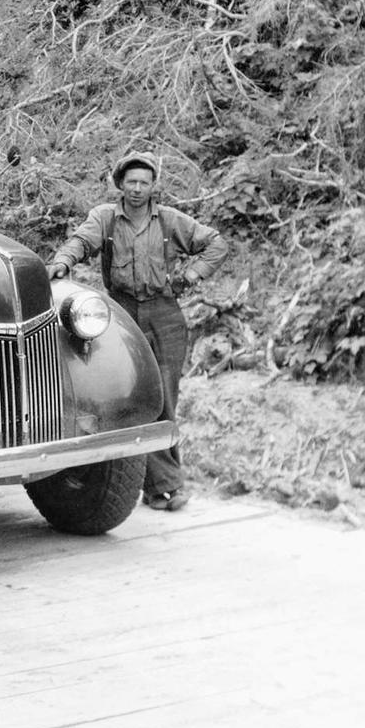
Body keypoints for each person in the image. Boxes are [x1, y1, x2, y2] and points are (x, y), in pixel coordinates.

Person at [47, 150, 229, 512]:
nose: (137, 188)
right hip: (122, 316)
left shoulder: (170, 221)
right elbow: (81, 242)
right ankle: (142, 485)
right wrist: (63, 261)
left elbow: (216, 244)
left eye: (144, 182)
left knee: (163, 399)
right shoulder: (105, 217)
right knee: (125, 397)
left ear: (153, 186)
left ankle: (164, 486)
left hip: (164, 317)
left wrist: (191, 276)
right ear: (120, 184)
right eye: (131, 181)